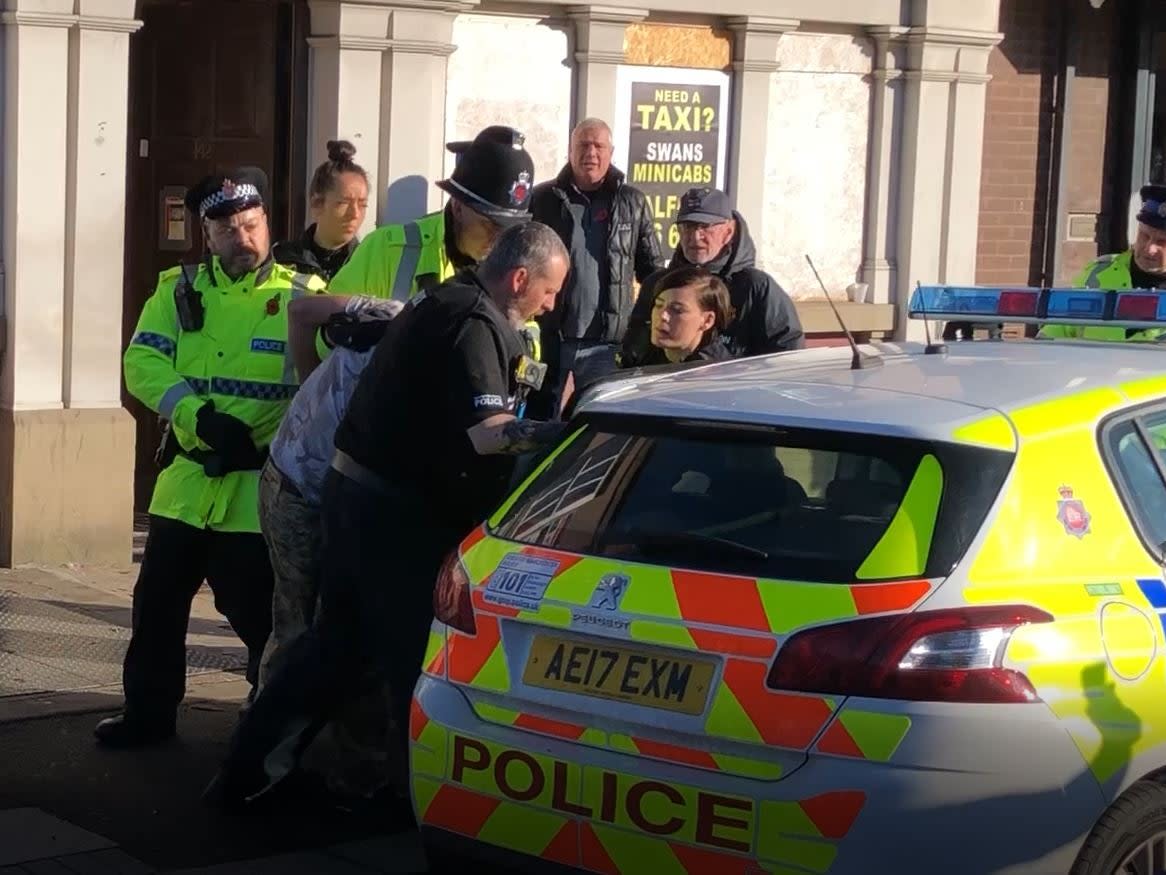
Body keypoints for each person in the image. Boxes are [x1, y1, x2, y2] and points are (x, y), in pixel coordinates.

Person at [204, 222, 571, 809]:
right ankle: (412, 800)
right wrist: (571, 435)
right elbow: (488, 435)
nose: (551, 305)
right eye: (549, 291)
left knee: (336, 644)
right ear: (520, 277)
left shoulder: (441, 299)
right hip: (391, 519)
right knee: (405, 659)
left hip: (358, 500)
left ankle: (248, 769)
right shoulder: (475, 324)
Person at [96, 168, 327, 749]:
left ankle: (270, 721)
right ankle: (147, 717)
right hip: (187, 481)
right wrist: (199, 417)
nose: (242, 238)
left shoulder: (304, 296)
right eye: (227, 229)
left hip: (255, 492)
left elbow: (326, 382)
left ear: (267, 224)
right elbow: (143, 365)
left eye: (251, 225)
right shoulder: (179, 289)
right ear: (207, 233)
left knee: (256, 614)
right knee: (157, 609)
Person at [256, 291, 404, 801]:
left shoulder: (411, 322)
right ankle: (262, 765)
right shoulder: (400, 320)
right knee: (298, 627)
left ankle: (358, 772)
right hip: (302, 485)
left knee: (355, 628)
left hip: (346, 492)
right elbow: (298, 309)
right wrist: (311, 378)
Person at [529, 118, 664, 410]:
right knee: (539, 416)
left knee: (600, 420)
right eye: (583, 145)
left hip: (607, 343)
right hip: (550, 336)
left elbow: (652, 272)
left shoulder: (633, 202)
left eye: (598, 146)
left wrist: (642, 332)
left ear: (610, 152)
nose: (591, 152)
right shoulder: (543, 199)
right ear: (570, 151)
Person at [621, 187, 805, 368]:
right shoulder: (658, 283)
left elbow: (787, 355)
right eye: (687, 227)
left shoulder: (755, 287)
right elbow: (634, 348)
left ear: (728, 232)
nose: (695, 236)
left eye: (705, 227)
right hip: (662, 390)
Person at [1039, 183, 1166, 342]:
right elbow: (1060, 327)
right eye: (1145, 236)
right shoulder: (1100, 272)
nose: (1150, 249)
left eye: (1162, 242)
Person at [272, 140, 369, 281]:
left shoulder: (369, 265)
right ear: (317, 204)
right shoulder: (281, 259)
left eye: (362, 205)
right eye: (343, 203)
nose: (355, 214)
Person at [634, 266, 735, 366]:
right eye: (658, 305)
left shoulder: (718, 373)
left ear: (707, 321)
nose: (663, 315)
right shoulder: (639, 353)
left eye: (677, 310)